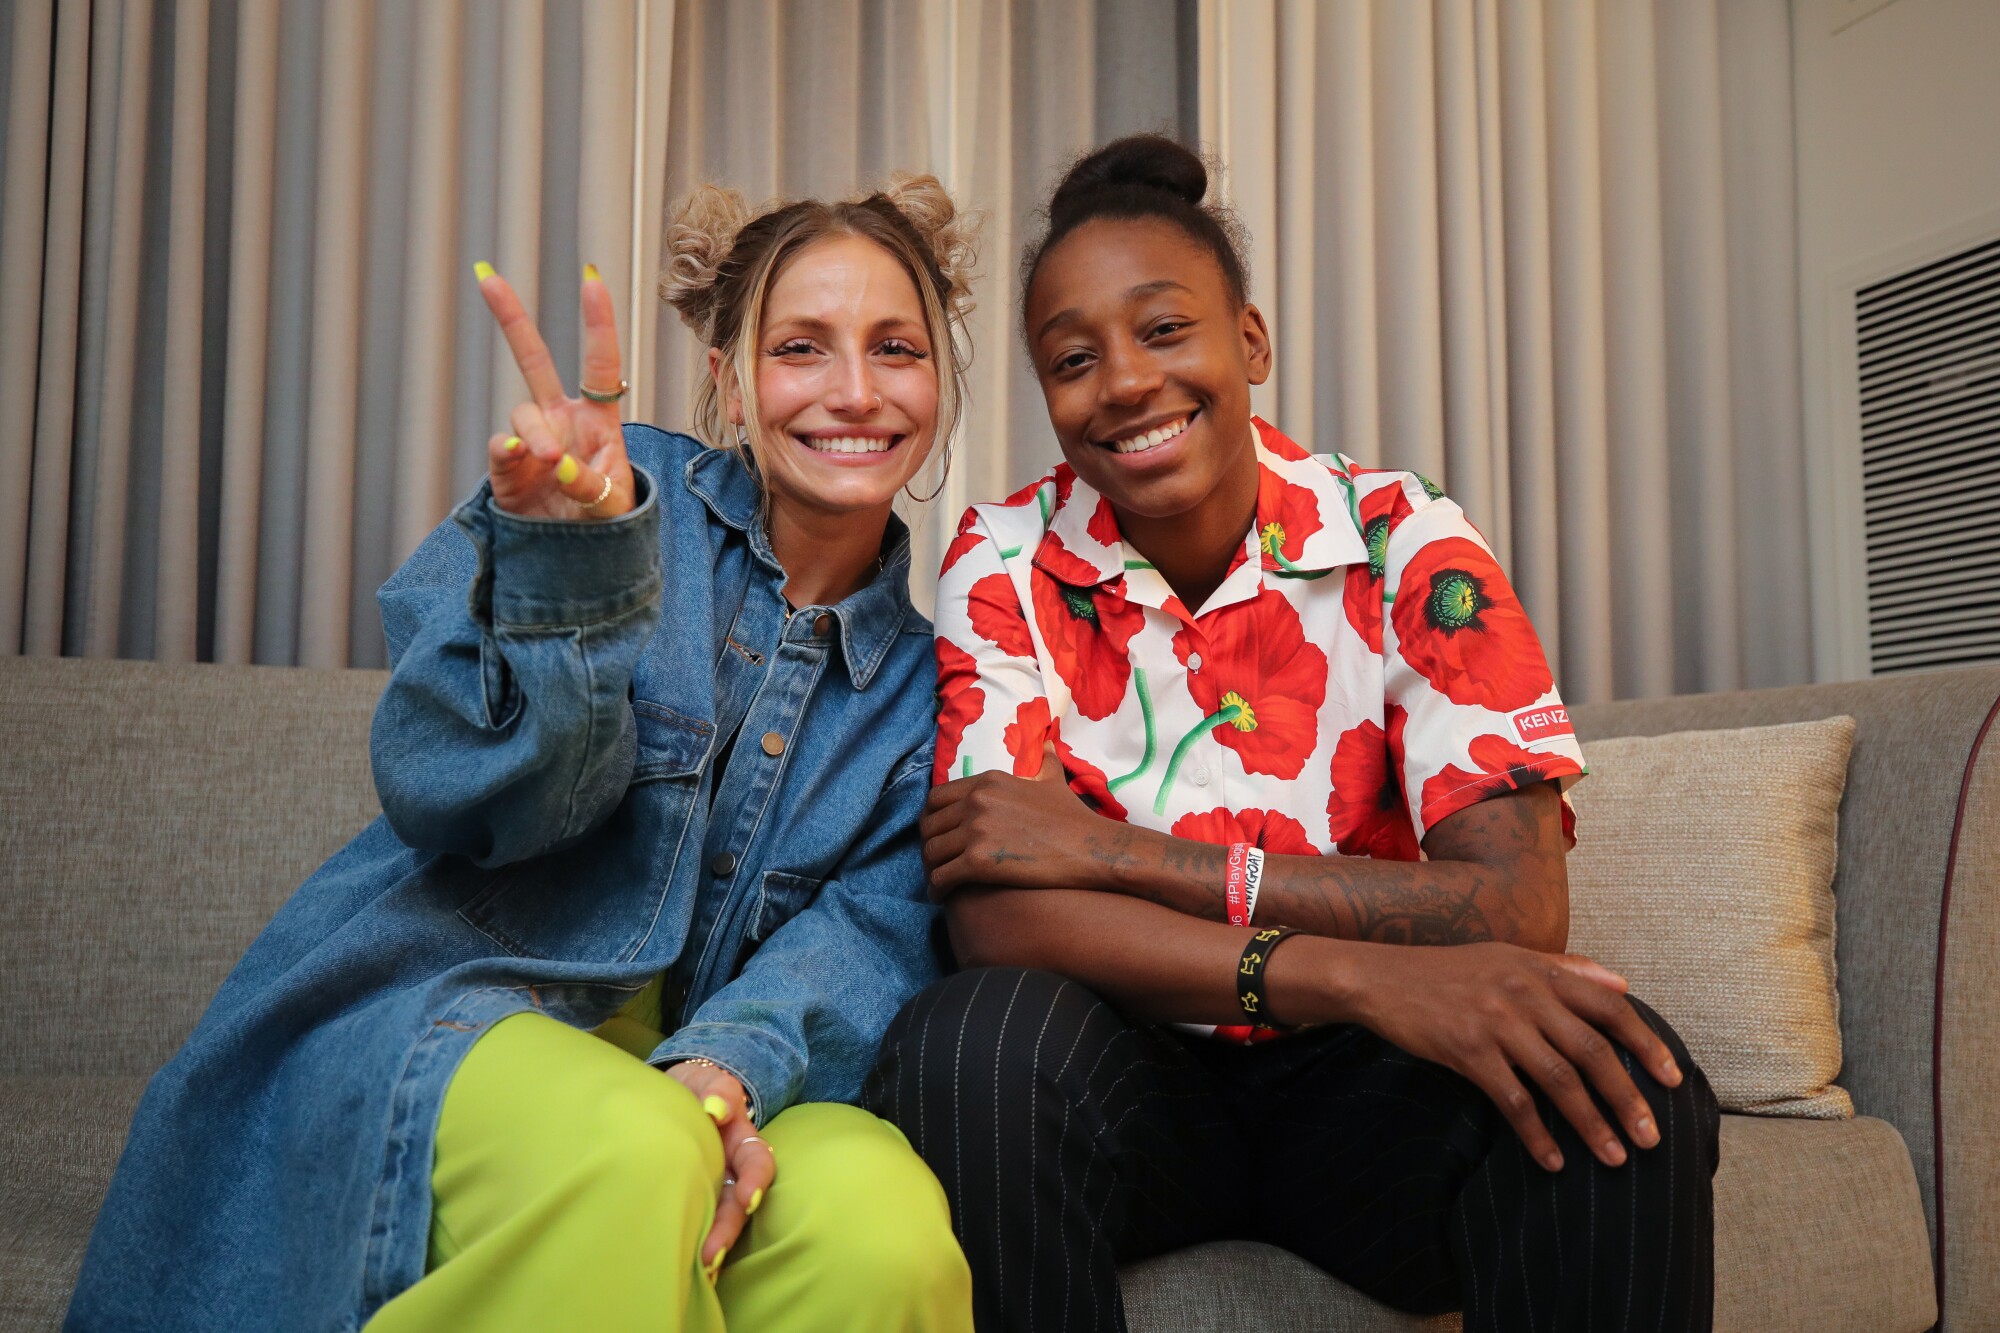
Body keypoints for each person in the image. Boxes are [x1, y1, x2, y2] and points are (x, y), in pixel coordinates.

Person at [67, 178, 979, 1333]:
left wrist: (729, 1064)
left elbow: (873, 934)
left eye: (894, 348)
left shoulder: (929, 683)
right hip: (465, 1005)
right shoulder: (600, 497)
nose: (854, 389)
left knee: (884, 1234)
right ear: (728, 380)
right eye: (800, 347)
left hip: (740, 1060)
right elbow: (446, 785)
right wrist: (569, 584)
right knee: (639, 1152)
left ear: (937, 381)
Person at [868, 135, 1720, 1333]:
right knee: (968, 1042)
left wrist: (1114, 854)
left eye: (1163, 329)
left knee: (1614, 1065)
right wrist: (1351, 969)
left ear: (1249, 342)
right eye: (1072, 358)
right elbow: (999, 911)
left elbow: (1514, 909)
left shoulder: (1402, 538)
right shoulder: (1001, 557)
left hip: (1365, 1091)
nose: (1120, 381)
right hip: (1134, 1082)